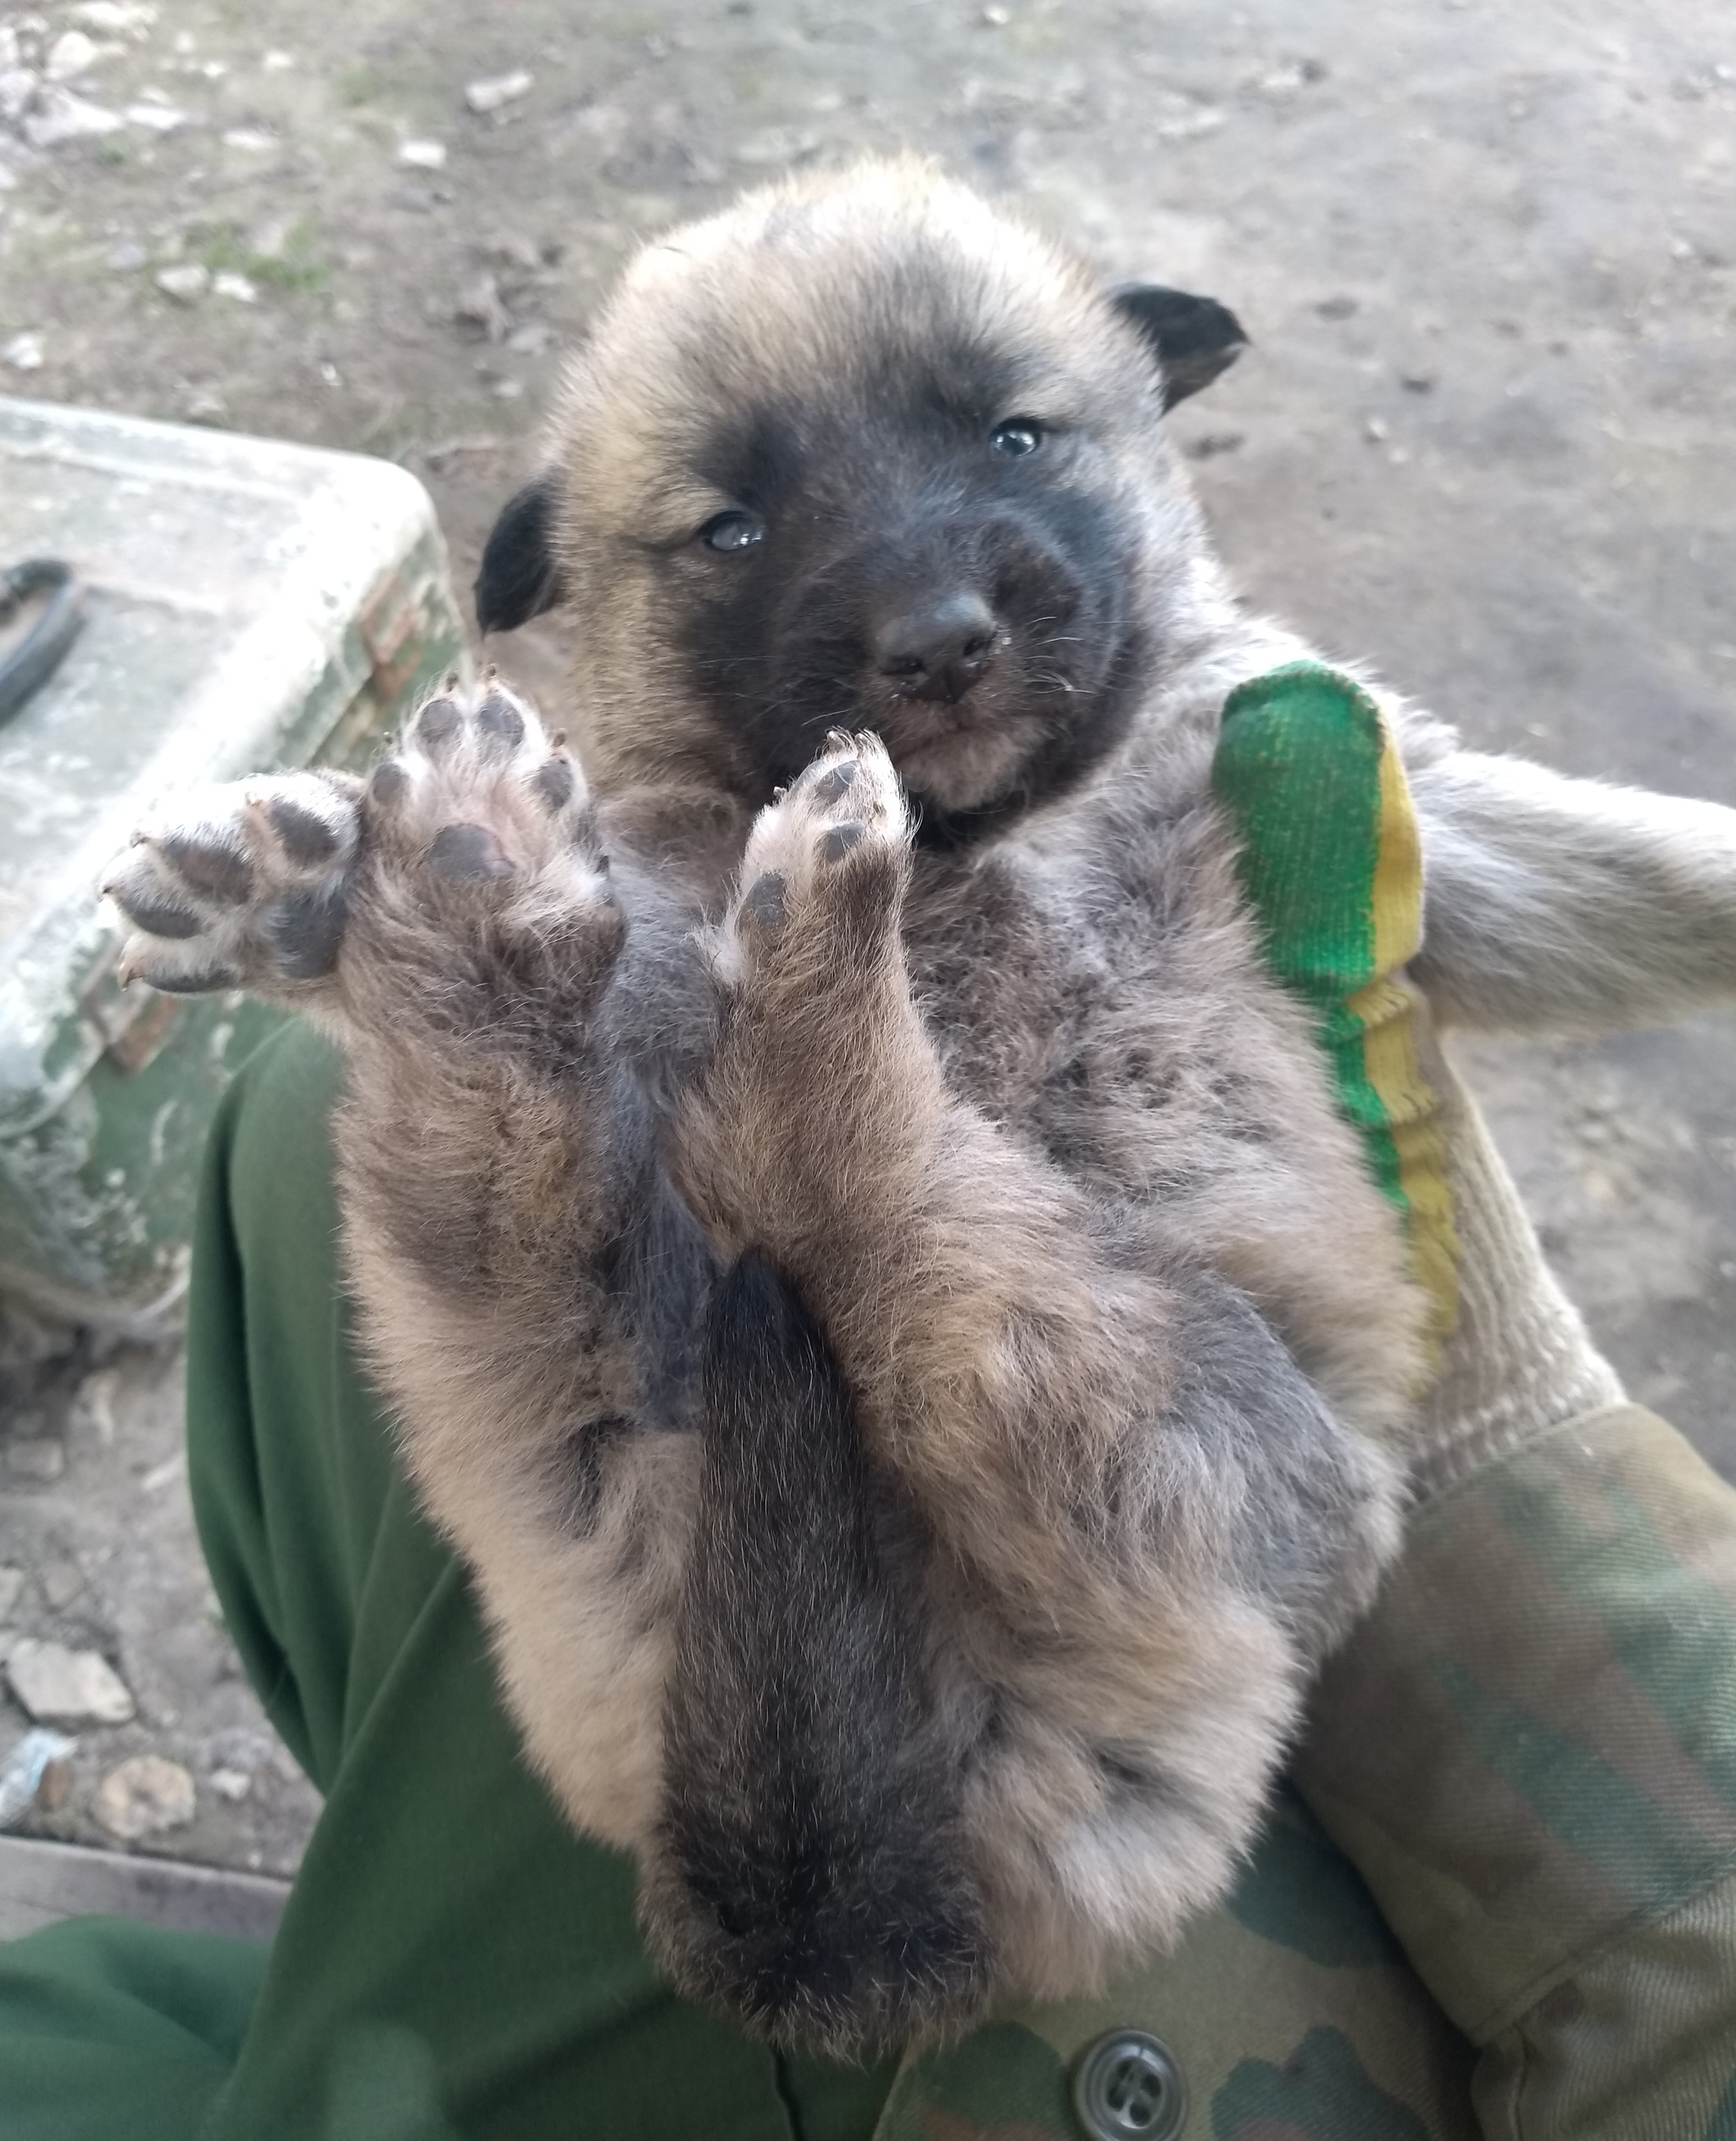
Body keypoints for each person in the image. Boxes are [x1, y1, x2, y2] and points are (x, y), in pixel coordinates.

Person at [3, 669, 1735, 2141]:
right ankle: (763, 1096)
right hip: (1077, 1693)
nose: (921, 617)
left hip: (864, 1750)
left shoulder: (1183, 677)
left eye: (1015, 438)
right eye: (732, 532)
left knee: (404, 1214)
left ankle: (525, 1014)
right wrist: (1542, 1507)